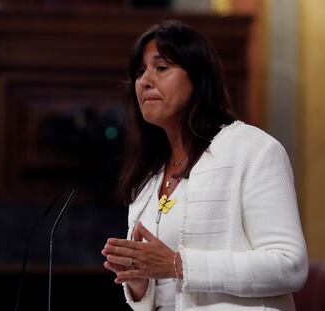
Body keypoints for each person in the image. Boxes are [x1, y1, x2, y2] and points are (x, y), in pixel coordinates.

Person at [101, 20, 308, 311]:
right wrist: (140, 282)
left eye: (161, 68)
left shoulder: (252, 150)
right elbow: (164, 294)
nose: (145, 80)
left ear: (198, 78)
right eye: (140, 71)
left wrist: (178, 264)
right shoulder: (148, 177)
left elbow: (290, 266)